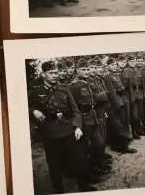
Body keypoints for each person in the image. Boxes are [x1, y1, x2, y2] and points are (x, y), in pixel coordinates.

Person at [28, 61, 96, 193]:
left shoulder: (64, 88)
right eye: (51, 73)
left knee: (79, 160)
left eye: (56, 72)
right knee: (54, 165)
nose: (54, 75)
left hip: (68, 131)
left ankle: (83, 185)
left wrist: (77, 127)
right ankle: (58, 189)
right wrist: (33, 111)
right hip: (50, 135)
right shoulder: (36, 92)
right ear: (43, 74)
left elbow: (75, 110)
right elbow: (23, 106)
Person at [70, 60, 110, 178]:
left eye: (87, 69)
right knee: (86, 148)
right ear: (77, 71)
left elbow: (93, 100)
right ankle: (91, 171)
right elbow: (73, 106)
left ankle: (98, 165)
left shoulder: (87, 82)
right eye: (83, 70)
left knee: (100, 144)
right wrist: (77, 125)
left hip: (93, 117)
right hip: (83, 120)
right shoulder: (74, 86)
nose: (86, 72)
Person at [103, 58, 137, 154]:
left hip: (123, 100)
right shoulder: (107, 77)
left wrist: (125, 100)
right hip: (117, 104)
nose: (114, 66)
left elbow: (122, 88)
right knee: (119, 125)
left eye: (115, 65)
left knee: (124, 123)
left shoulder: (116, 75)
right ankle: (123, 146)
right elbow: (112, 92)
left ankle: (121, 144)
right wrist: (118, 104)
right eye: (111, 65)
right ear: (108, 66)